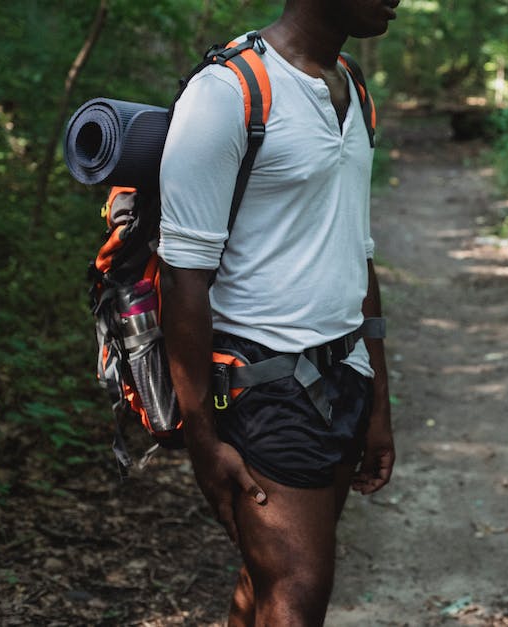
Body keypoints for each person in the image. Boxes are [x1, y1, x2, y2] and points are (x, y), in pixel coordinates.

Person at [158, 1, 398, 624]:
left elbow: (356, 250)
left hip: (344, 371)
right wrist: (202, 440)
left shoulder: (353, 85)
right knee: (298, 590)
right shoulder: (228, 91)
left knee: (267, 582)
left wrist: (378, 402)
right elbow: (183, 277)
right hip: (262, 382)